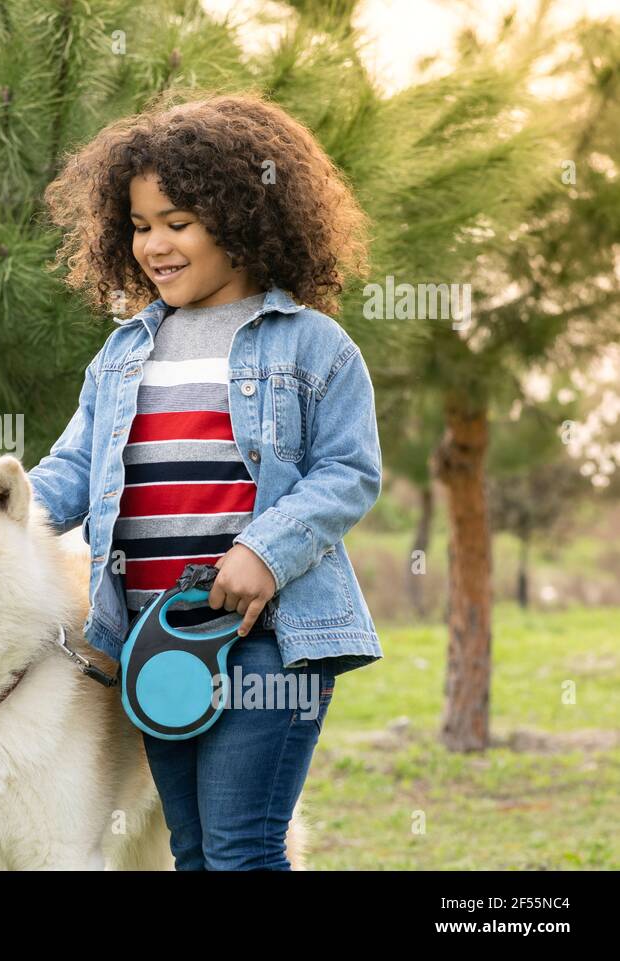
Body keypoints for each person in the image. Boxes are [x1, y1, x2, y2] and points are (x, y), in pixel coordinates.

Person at [27, 92, 383, 869]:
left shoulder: (313, 346)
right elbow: (72, 471)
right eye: (139, 225)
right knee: (189, 850)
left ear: (242, 219)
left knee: (241, 847)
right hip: (154, 638)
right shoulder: (123, 353)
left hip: (267, 641)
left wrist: (265, 549)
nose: (154, 244)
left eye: (176, 223)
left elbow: (348, 471)